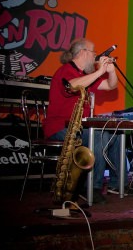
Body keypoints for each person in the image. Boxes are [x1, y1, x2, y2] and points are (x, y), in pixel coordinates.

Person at [43, 38, 122, 204]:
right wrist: (99, 72)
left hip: (79, 126)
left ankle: (117, 184)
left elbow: (111, 86)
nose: (95, 56)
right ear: (82, 53)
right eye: (93, 52)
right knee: (99, 136)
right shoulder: (66, 70)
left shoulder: (86, 75)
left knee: (116, 133)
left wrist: (111, 71)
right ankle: (91, 188)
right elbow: (72, 86)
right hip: (60, 127)